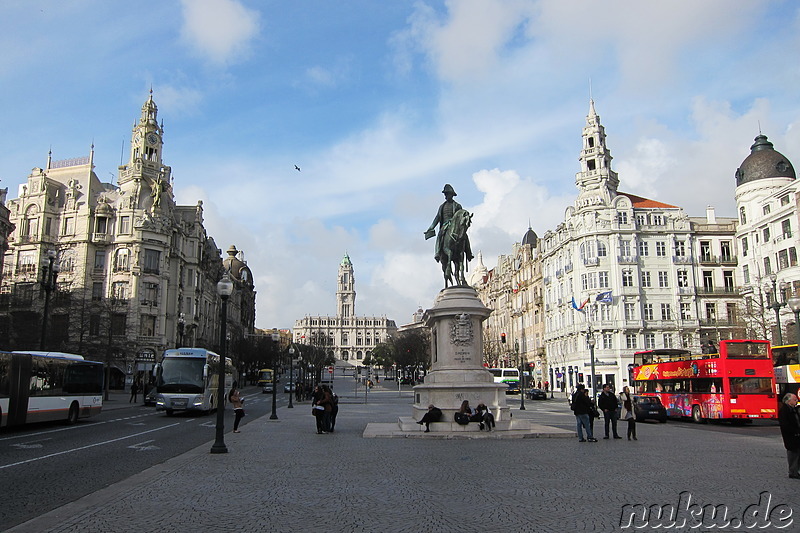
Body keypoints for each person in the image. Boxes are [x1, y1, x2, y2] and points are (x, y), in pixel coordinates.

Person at [424, 184, 474, 264]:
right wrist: (431, 227)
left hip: (455, 226)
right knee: (440, 235)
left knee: (465, 236)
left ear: (451, 194)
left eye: (447, 194)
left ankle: (469, 253)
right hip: (445, 225)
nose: (446, 196)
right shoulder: (442, 206)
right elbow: (437, 218)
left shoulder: (457, 205)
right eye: (445, 194)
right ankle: (437, 252)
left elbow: (461, 215)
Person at [778, 392, 800, 479]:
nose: (796, 401)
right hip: (791, 436)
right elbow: (785, 425)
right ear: (789, 401)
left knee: (797, 454)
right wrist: (795, 431)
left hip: (795, 435)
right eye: (795, 400)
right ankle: (793, 472)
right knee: (793, 455)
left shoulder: (793, 409)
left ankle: (796, 471)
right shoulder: (785, 410)